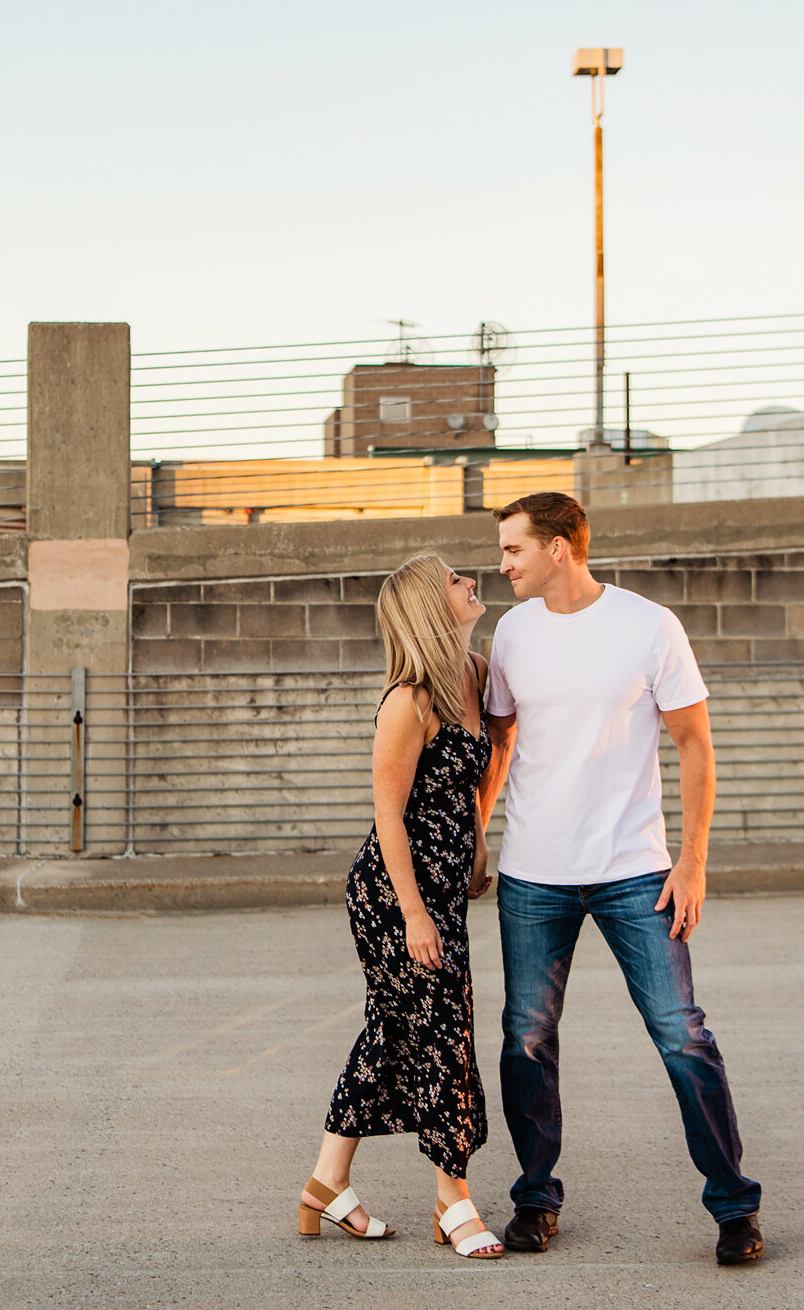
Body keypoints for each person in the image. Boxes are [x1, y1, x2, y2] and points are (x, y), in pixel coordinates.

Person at [480, 492, 765, 1266]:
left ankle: (735, 1206)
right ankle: (536, 1198)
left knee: (682, 1033)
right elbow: (502, 741)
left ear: (560, 547)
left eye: (514, 549)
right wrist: (479, 830)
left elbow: (696, 745)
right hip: (533, 874)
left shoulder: (647, 626)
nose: (502, 564)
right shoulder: (511, 631)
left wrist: (695, 859)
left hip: (635, 872)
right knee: (527, 1038)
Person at [297, 553, 505, 1260]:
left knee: (392, 1030)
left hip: (446, 889)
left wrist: (478, 842)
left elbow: (474, 774)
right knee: (445, 1031)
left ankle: (327, 1182)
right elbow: (389, 816)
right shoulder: (408, 700)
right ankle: (455, 1198)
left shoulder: (473, 678)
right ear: (428, 603)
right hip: (394, 895)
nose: (470, 580)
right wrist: (416, 914)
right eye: (455, 578)